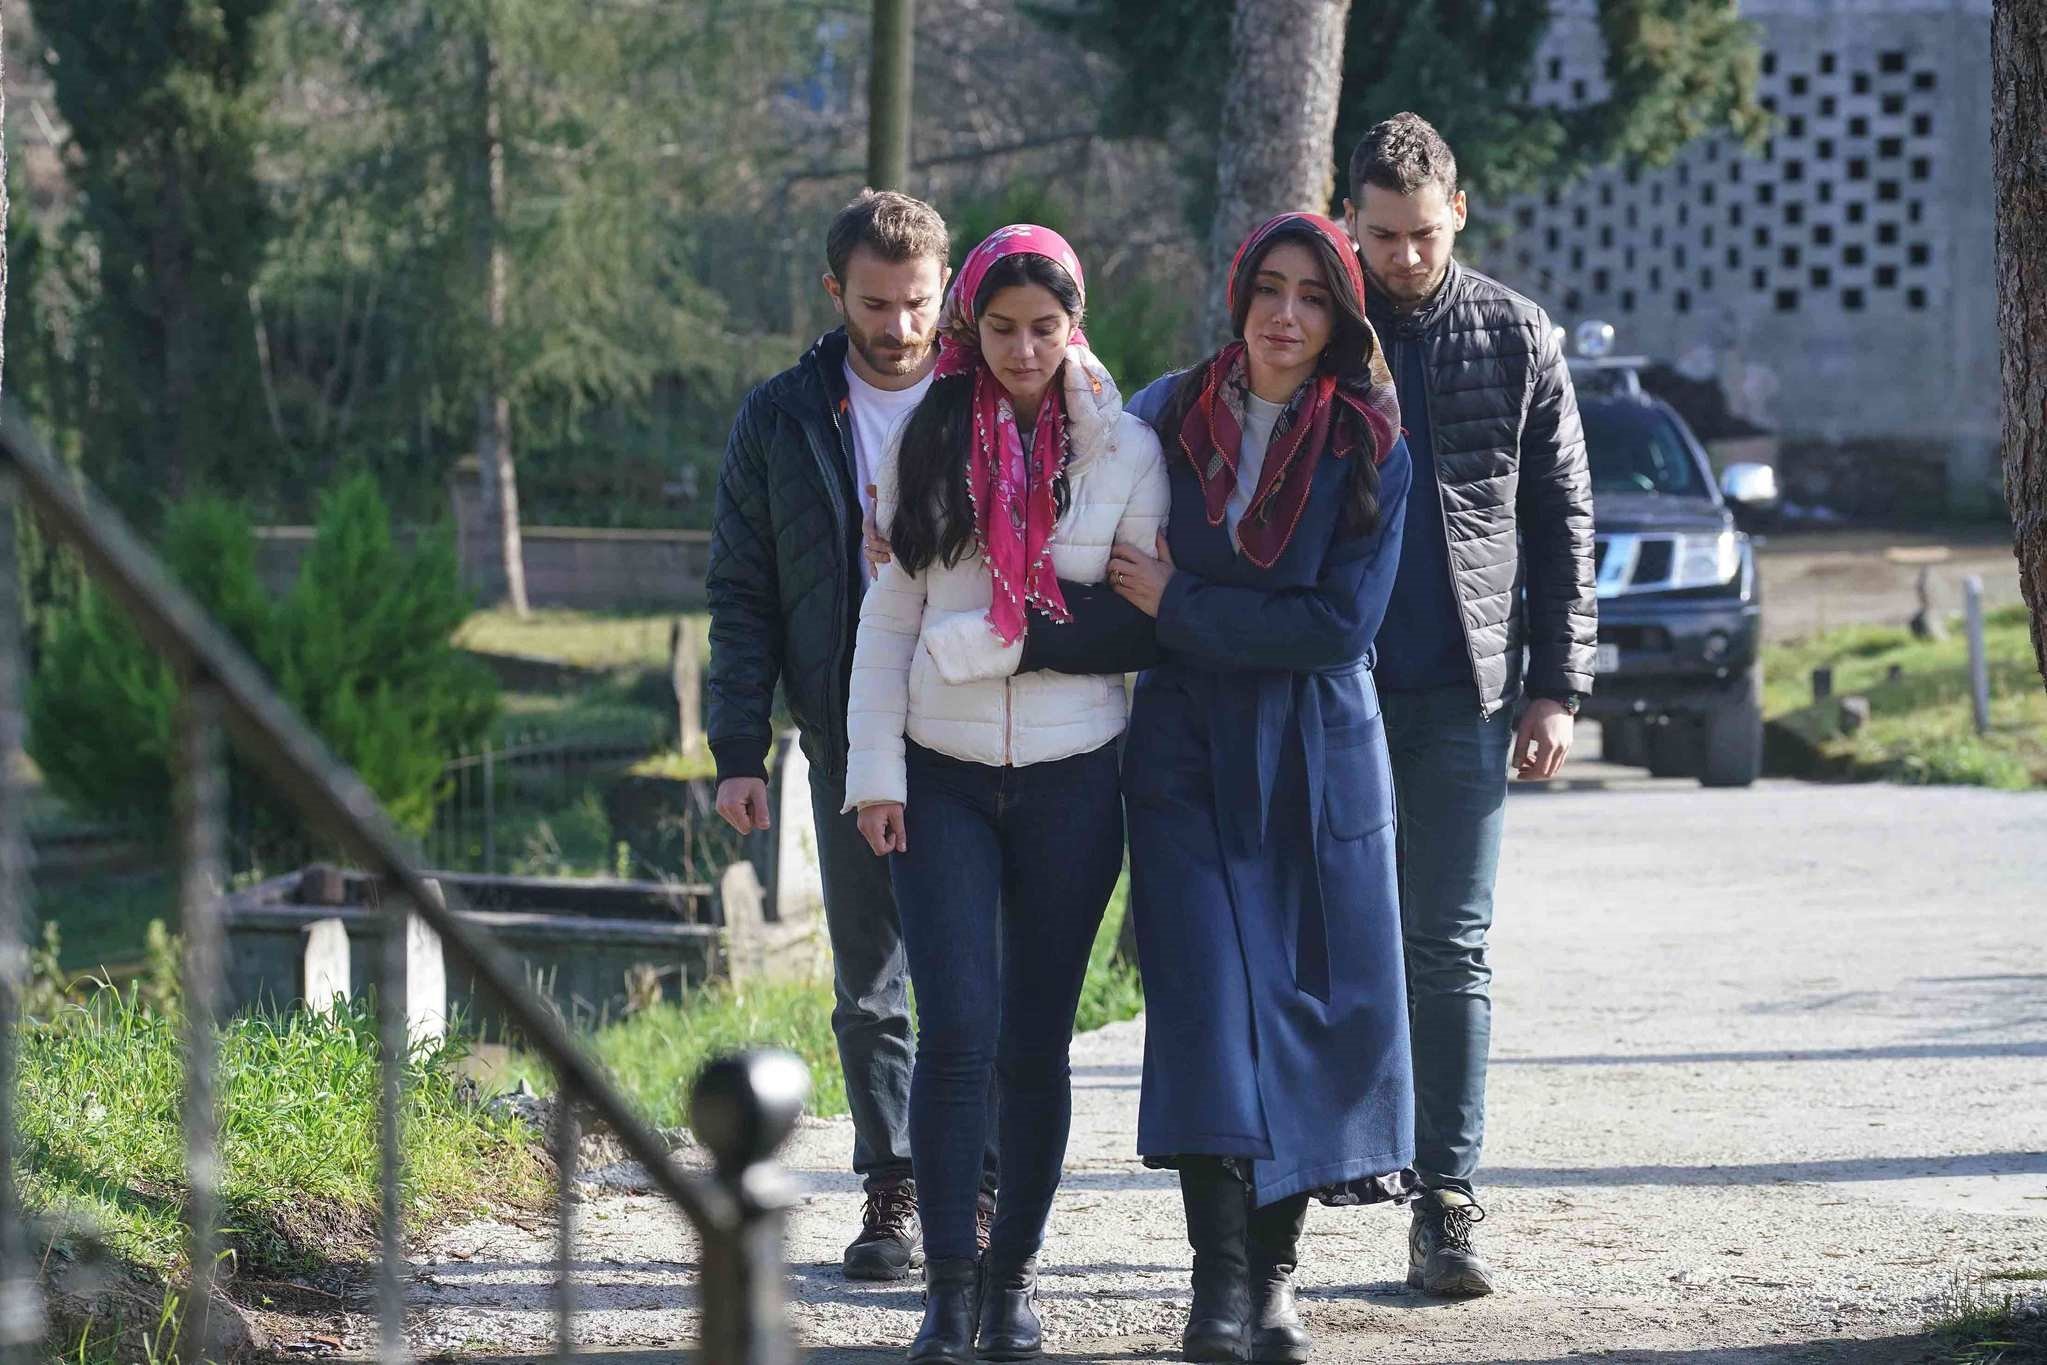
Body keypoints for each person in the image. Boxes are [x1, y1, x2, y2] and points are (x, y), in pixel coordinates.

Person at [841, 224, 1168, 1365]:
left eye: (1044, 327)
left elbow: (1140, 622)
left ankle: (1013, 1280)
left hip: (1074, 782)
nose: (1024, 349)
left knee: (1034, 1044)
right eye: (1001, 327)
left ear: (1074, 325)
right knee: (955, 1033)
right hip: (939, 777)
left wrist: (1009, 637)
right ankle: (947, 1287)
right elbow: (890, 619)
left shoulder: (1124, 449)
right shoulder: (926, 438)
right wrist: (874, 776)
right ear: (969, 328)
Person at [705, 189, 994, 1281]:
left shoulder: (989, 394)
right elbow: (742, 591)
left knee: (978, 970)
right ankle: (895, 1184)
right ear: (836, 292)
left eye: (918, 302)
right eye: (875, 304)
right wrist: (739, 749)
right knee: (869, 982)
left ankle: (980, 1186)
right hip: (841, 730)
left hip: (980, 720)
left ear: (945, 288)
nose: (900, 326)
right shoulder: (780, 418)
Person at [1342, 112, 1596, 1297]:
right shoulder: (1313, 323)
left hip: (1466, 689)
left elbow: (1561, 519)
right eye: (1382, 235)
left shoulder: (1515, 332)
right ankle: (1287, 1196)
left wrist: (1556, 686)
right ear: (1349, 218)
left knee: (1447, 946)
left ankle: (1446, 1200)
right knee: (1324, 942)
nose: (1403, 258)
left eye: (1423, 235)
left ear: (1460, 212)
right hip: (1326, 685)